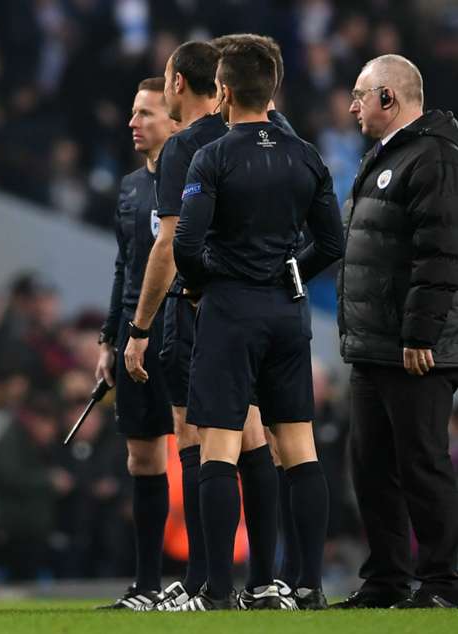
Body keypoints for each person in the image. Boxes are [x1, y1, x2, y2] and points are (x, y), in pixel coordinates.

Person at [172, 40, 344, 611]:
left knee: (219, 450)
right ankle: (308, 587)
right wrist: (290, 270)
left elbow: (187, 245)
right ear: (272, 90)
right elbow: (332, 242)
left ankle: (219, 593)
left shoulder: (212, 157)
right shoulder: (307, 156)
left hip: (231, 312)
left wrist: (206, 282)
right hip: (288, 315)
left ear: (222, 92)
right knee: (299, 449)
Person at [122, 41, 275, 611]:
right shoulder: (275, 137)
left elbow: (169, 245)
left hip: (198, 307)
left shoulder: (187, 148)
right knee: (257, 436)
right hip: (263, 309)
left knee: (197, 438)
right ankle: (268, 580)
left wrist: (138, 329)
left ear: (179, 84)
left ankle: (206, 584)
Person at [334, 54, 458, 610]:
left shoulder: (434, 157)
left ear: (390, 98)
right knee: (371, 467)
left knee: (422, 464)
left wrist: (420, 335)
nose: (352, 105)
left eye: (361, 94)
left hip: (416, 349)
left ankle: (442, 582)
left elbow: (442, 254)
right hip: (374, 344)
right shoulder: (385, 158)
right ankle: (385, 579)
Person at [94, 76, 177, 610]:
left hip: (185, 332)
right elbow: (125, 268)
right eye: (132, 112)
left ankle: (204, 583)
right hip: (133, 341)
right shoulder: (128, 187)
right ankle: (147, 585)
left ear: (175, 121)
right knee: (142, 460)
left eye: (146, 113)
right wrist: (109, 338)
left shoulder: (197, 178)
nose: (133, 123)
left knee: (202, 453)